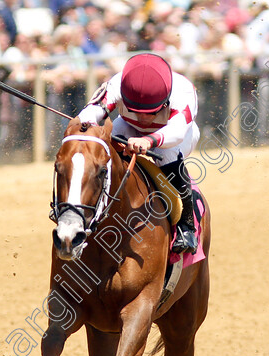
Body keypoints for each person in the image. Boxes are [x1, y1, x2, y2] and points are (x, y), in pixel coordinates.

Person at [77, 52, 200, 255]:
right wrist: (86, 124)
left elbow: (177, 132)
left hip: (173, 135)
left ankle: (187, 227)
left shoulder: (184, 92)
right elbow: (90, 113)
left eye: (151, 112)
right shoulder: (116, 84)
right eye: (136, 111)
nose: (143, 119)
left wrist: (149, 140)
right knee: (103, 149)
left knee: (166, 153)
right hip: (127, 128)